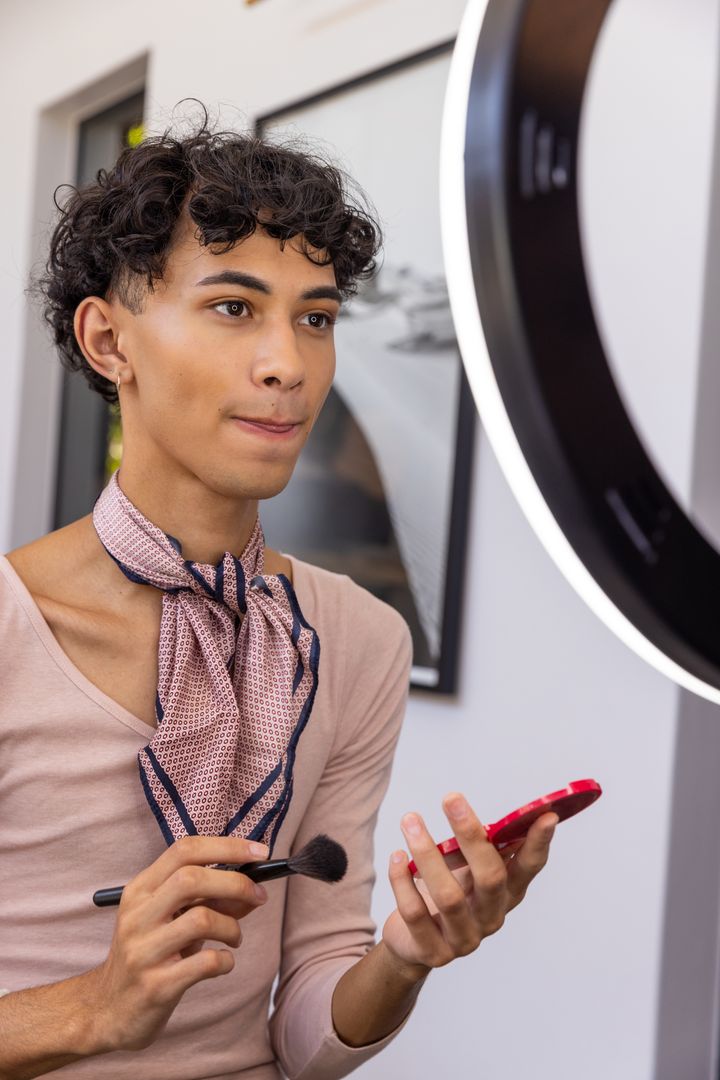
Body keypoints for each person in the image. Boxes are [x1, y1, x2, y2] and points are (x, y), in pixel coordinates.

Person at [0, 109, 558, 1079]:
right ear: (108, 340)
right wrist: (96, 1009)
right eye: (233, 307)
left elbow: (306, 1034)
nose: (289, 366)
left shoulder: (360, 639)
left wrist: (404, 956)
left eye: (317, 319)